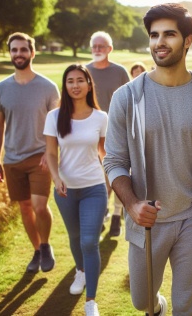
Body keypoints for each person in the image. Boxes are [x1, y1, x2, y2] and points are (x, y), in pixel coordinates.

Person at [103, 3, 192, 315]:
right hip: (147, 221)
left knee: (187, 307)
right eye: (154, 35)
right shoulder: (127, 98)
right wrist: (132, 204)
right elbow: (114, 161)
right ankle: (155, 307)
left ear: (188, 40)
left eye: (169, 34)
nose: (159, 42)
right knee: (143, 302)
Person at [0, 32, 59, 273]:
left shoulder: (48, 87)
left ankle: (46, 244)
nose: (18, 54)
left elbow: (57, 124)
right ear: (10, 53)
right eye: (14, 50)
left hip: (39, 157)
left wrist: (50, 152)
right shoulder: (1, 89)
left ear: (32, 52)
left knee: (39, 206)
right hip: (12, 159)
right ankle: (37, 250)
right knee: (24, 208)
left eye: (23, 49)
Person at [44, 64, 108, 316]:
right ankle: (80, 270)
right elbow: (50, 152)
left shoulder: (100, 117)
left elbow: (104, 152)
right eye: (70, 81)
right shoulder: (54, 116)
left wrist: (115, 176)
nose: (75, 85)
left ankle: (91, 301)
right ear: (65, 85)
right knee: (74, 237)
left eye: (80, 80)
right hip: (65, 190)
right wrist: (55, 177)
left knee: (89, 241)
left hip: (94, 188)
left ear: (89, 84)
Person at [86, 31, 130, 237]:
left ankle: (116, 216)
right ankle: (101, 212)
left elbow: (131, 102)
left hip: (116, 133)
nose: (97, 50)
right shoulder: (84, 71)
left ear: (109, 49)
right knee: (97, 178)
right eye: (94, 46)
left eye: (101, 46)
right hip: (90, 134)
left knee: (117, 175)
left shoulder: (120, 72)